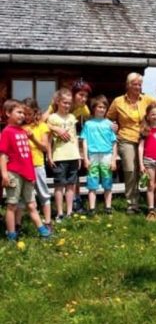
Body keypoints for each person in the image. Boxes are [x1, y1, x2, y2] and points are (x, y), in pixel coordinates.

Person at [106, 72, 156, 214]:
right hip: (126, 138)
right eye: (135, 84)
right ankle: (132, 204)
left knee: (150, 170)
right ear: (128, 85)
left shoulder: (146, 99)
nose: (138, 87)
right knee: (130, 170)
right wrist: (113, 126)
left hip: (145, 138)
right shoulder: (118, 101)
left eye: (140, 84)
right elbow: (108, 119)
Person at [0, 99, 52, 240]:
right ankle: (11, 235)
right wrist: (4, 174)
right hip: (13, 173)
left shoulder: (23, 131)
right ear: (8, 113)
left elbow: (27, 156)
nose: (22, 115)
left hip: (27, 174)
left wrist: (31, 175)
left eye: (23, 112)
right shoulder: (7, 132)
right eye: (19, 112)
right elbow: (3, 155)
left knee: (31, 204)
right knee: (12, 205)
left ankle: (43, 231)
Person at [44, 78, 92, 213]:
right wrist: (55, 128)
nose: (84, 99)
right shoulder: (55, 105)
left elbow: (92, 119)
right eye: (81, 95)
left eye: (86, 96)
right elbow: (42, 122)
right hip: (54, 144)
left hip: (70, 145)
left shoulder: (83, 108)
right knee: (60, 181)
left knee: (73, 178)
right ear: (73, 93)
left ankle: (75, 202)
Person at [80, 95, 118, 216]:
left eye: (104, 107)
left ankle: (108, 207)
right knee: (92, 183)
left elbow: (114, 143)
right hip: (93, 155)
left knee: (107, 183)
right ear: (94, 108)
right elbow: (84, 142)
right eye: (99, 107)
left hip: (107, 155)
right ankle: (91, 208)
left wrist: (114, 160)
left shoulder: (109, 124)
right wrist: (85, 158)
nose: (102, 109)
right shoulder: (88, 124)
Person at [47, 88, 80, 222]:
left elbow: (75, 137)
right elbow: (48, 139)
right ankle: (60, 212)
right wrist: (49, 156)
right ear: (58, 102)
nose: (67, 105)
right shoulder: (52, 118)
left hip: (73, 155)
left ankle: (69, 211)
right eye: (64, 102)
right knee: (59, 185)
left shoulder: (72, 117)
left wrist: (78, 155)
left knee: (71, 185)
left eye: (69, 103)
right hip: (59, 156)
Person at [22, 98, 53, 230]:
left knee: (43, 193)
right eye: (24, 114)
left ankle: (47, 222)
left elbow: (45, 148)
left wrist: (32, 138)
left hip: (37, 165)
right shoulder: (20, 127)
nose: (26, 117)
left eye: (29, 114)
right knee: (23, 196)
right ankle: (19, 223)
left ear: (35, 112)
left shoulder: (41, 126)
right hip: (23, 167)